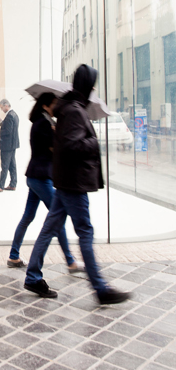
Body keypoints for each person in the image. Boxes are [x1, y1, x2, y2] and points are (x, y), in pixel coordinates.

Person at [24, 65, 132, 305]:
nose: (94, 88)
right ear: (87, 86)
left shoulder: (69, 109)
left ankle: (32, 276)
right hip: (73, 183)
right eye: (92, 84)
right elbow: (72, 146)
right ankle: (101, 288)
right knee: (85, 231)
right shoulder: (74, 111)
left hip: (66, 182)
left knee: (49, 228)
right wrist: (94, 142)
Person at [7, 93, 81, 272]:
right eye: (55, 103)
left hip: (36, 177)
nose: (57, 107)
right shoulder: (43, 124)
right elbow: (55, 149)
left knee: (28, 217)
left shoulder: (44, 122)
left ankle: (14, 256)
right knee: (57, 218)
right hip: (41, 178)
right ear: (47, 105)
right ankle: (70, 261)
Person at [0, 99, 19, 193]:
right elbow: (8, 126)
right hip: (12, 144)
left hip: (7, 145)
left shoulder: (10, 116)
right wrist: (1, 121)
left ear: (6, 105)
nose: (2, 109)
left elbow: (8, 131)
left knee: (5, 165)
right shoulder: (14, 114)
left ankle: (0, 186)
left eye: (2, 107)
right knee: (12, 165)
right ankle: (13, 184)